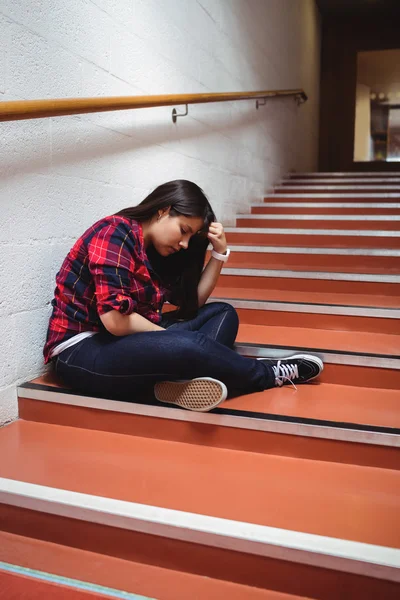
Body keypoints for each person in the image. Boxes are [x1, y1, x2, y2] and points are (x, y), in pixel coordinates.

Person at [44, 179, 323, 412]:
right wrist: (172, 339)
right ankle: (266, 375)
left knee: (222, 313)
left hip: (127, 341)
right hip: (81, 351)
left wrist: (219, 255)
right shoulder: (114, 232)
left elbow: (194, 304)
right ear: (164, 210)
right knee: (191, 344)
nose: (184, 243)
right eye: (183, 231)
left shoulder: (155, 250)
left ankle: (173, 382)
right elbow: (116, 322)